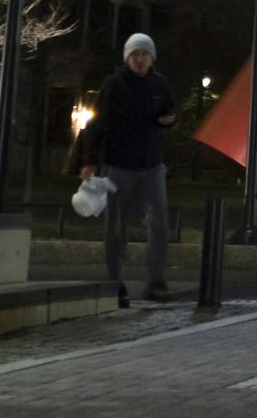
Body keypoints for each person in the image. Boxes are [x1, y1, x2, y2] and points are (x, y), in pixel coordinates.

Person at [76, 33, 178, 308]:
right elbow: (96, 125)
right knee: (116, 227)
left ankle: (156, 282)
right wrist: (89, 161)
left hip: (151, 164)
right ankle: (115, 283)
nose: (139, 58)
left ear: (151, 57)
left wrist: (169, 122)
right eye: (134, 54)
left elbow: (169, 112)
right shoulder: (114, 85)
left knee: (159, 223)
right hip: (118, 164)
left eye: (144, 53)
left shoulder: (160, 83)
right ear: (126, 58)